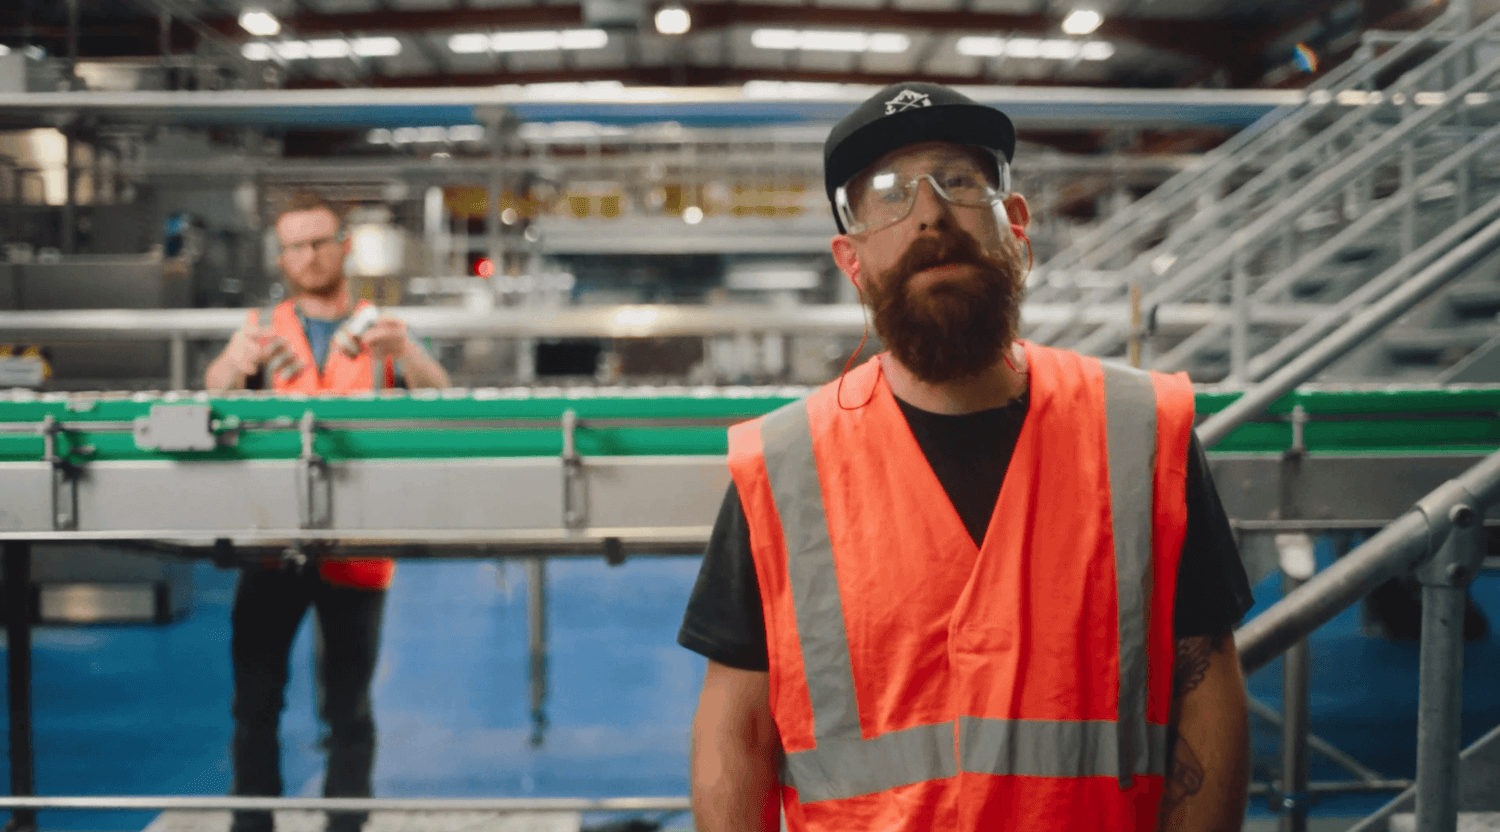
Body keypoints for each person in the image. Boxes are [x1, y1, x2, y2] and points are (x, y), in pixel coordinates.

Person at [678, 83, 1255, 832]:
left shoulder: (1143, 432)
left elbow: (1204, 690)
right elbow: (739, 734)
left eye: (959, 180)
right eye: (887, 194)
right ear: (852, 261)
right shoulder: (785, 466)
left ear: (1015, 224)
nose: (929, 213)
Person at [205, 192, 450, 832]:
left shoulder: (381, 332)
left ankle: (346, 826)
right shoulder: (262, 332)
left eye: (320, 242)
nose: (309, 257)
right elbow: (209, 400)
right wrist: (233, 364)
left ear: (344, 247)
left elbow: (445, 403)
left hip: (356, 546)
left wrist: (412, 356)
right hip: (272, 543)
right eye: (296, 246)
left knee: (348, 708)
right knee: (254, 703)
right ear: (282, 257)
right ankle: (252, 826)